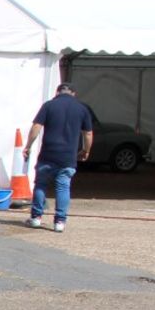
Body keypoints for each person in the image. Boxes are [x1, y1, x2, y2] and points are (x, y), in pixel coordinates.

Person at [25, 83, 95, 232]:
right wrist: (86, 150)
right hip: (68, 157)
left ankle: (36, 218)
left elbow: (36, 127)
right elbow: (88, 133)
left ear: (57, 92)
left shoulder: (49, 105)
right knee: (63, 187)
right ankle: (60, 222)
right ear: (74, 94)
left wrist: (28, 146)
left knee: (41, 185)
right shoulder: (82, 108)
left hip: (47, 154)